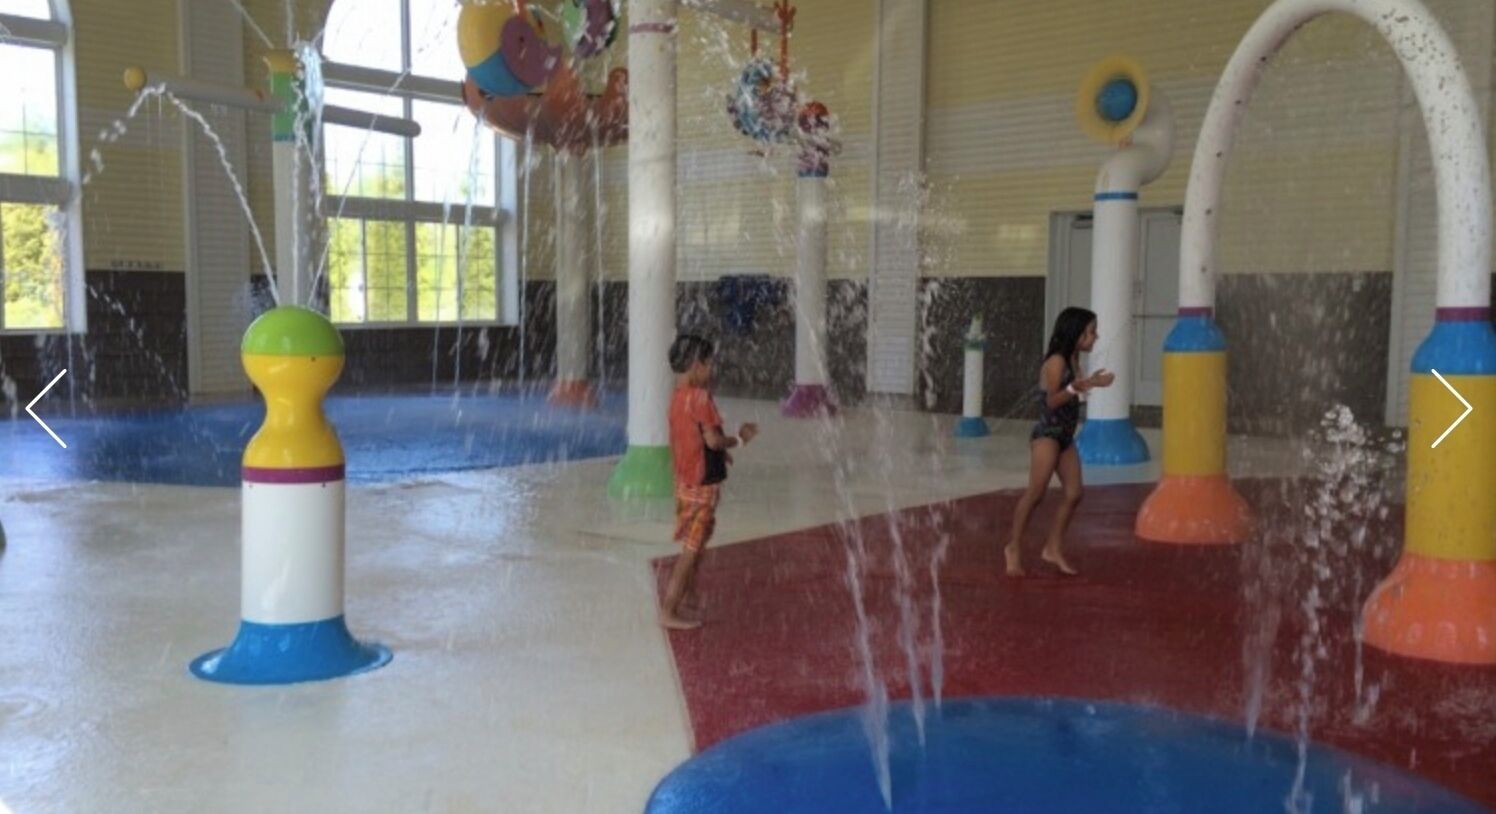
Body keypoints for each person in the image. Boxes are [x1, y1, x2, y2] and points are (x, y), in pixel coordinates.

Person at [1004, 307, 1113, 577]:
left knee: (1075, 493)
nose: (1095, 337)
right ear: (1075, 333)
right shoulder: (1056, 363)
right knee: (1036, 493)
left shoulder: (1073, 358)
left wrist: (1089, 383)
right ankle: (1013, 547)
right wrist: (1083, 385)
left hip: (1065, 436)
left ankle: (1052, 547)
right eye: (1090, 332)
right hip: (1047, 435)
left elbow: (1075, 393)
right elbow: (1052, 400)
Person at [661, 334, 758, 629]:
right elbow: (714, 440)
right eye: (709, 365)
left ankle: (688, 595)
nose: (711, 371)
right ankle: (668, 609)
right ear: (696, 365)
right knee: (691, 551)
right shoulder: (700, 398)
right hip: (701, 488)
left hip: (685, 483)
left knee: (698, 541)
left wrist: (717, 459)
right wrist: (740, 440)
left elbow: (690, 440)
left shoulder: (677, 398)